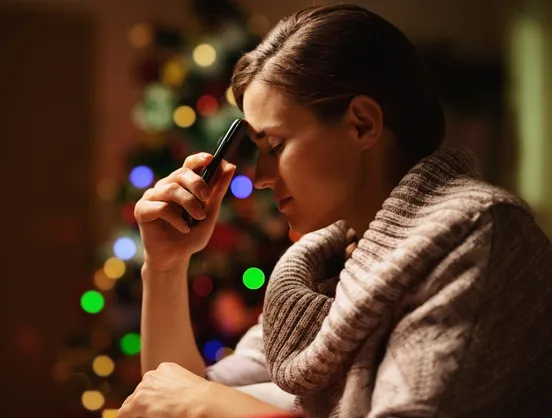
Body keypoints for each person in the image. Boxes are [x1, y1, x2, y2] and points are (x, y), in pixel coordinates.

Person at [117, 4, 552, 418]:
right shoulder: (323, 268)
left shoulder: (476, 233)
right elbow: (172, 396)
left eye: (275, 146)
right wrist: (166, 267)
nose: (262, 176)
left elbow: (198, 401)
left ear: (362, 123)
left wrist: (204, 403)